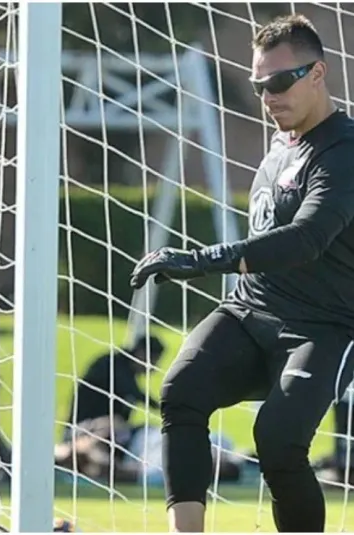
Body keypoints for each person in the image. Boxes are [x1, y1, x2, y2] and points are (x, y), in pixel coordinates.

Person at [130, 14, 354, 533]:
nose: (268, 96)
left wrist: (200, 260)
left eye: (280, 82)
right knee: (181, 391)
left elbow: (305, 239)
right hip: (250, 310)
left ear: (318, 74)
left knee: (277, 440)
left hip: (324, 328)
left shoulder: (344, 152)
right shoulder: (280, 145)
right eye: (259, 86)